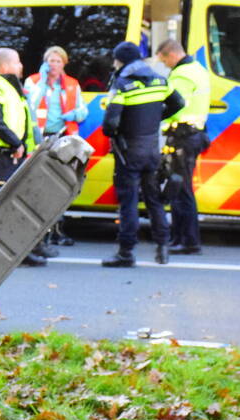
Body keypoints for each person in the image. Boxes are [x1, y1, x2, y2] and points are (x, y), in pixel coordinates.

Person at [101, 41, 184, 268]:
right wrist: (156, 117)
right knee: (154, 199)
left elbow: (110, 124)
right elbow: (178, 103)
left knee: (128, 202)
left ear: (121, 61)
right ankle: (163, 247)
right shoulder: (159, 80)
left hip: (129, 152)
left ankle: (126, 253)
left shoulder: (123, 84)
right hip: (151, 151)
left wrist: (119, 129)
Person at [0, 48, 45, 266]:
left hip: (13, 155)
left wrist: (25, 145)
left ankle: (18, 252)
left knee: (13, 206)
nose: (21, 66)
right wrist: (16, 143)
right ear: (5, 66)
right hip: (0, 157)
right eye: (18, 62)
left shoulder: (12, 89)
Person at [24, 46, 89, 248]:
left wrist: (74, 116)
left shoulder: (71, 84)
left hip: (63, 139)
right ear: (44, 62)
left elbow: (82, 110)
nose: (54, 65)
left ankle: (57, 231)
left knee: (59, 187)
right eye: (50, 61)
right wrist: (43, 84)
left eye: (58, 61)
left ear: (64, 63)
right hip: (39, 140)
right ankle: (38, 234)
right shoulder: (33, 81)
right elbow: (30, 105)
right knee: (39, 187)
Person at [156, 39, 211, 255]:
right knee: (181, 188)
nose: (166, 66)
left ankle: (187, 241)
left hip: (183, 137)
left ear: (171, 55)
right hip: (192, 135)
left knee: (180, 190)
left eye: (165, 61)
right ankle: (182, 238)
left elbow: (175, 105)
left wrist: (154, 117)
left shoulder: (182, 75)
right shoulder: (197, 69)